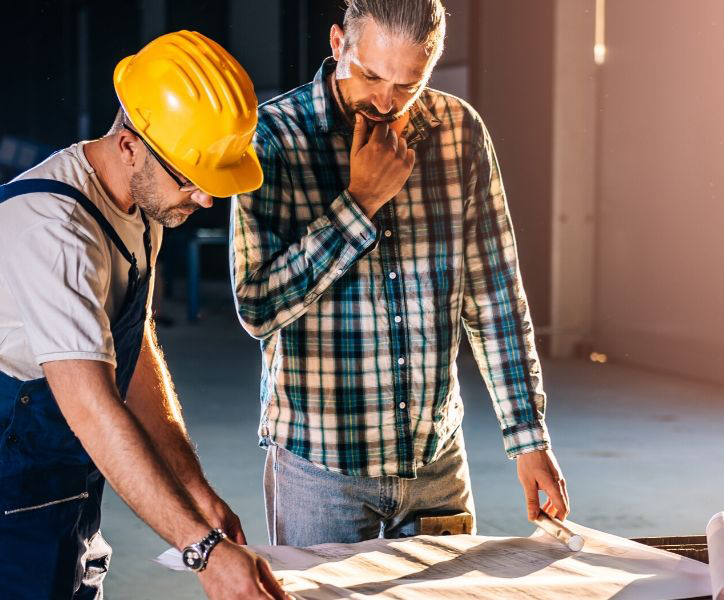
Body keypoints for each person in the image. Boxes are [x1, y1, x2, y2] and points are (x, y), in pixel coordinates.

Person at [231, 0, 570, 547]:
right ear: (339, 45)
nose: (386, 101)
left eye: (408, 85)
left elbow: (496, 299)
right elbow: (257, 307)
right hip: (321, 472)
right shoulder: (272, 138)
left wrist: (528, 438)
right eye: (370, 76)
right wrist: (359, 202)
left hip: (436, 466)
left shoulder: (459, 132)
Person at [0, 31, 287, 600]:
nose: (205, 199)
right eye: (190, 178)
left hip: (69, 503)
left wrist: (194, 492)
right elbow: (93, 408)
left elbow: (133, 350)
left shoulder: (143, 205)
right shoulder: (54, 233)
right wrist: (202, 552)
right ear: (129, 144)